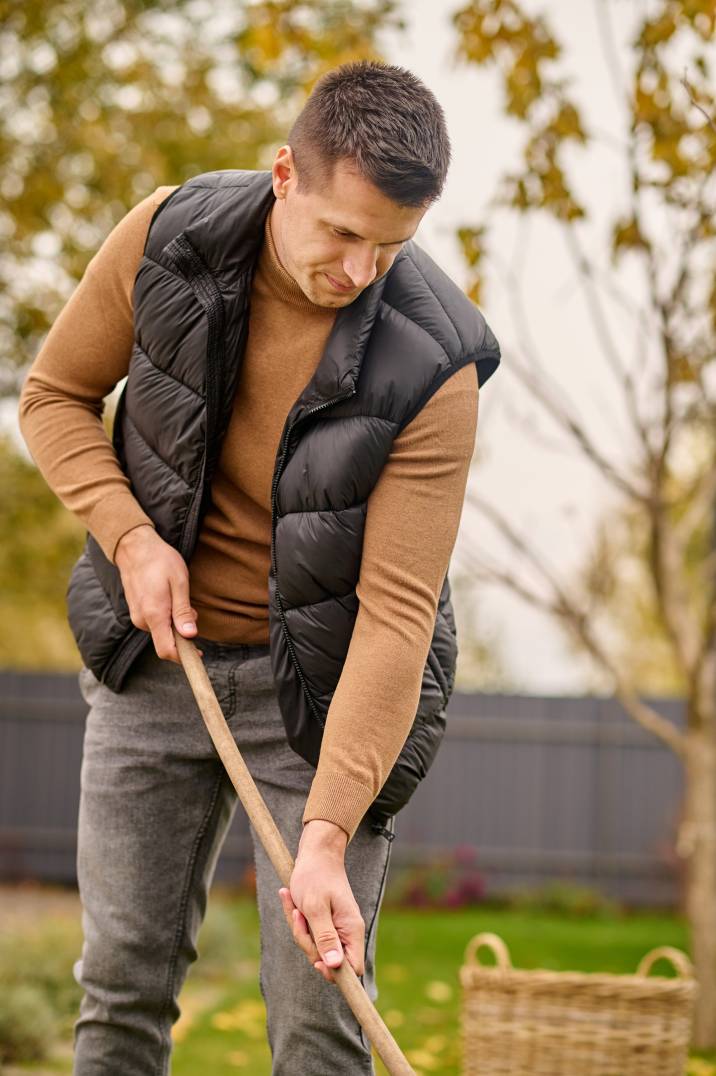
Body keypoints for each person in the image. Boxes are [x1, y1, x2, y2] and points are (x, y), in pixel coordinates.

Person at [18, 59, 500, 1075]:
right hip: (159, 664)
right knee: (121, 989)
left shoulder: (435, 366)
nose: (359, 270)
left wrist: (324, 831)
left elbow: (395, 619)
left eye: (390, 246)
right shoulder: (166, 238)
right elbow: (54, 395)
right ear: (285, 173)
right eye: (340, 233)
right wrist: (129, 535)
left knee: (319, 1019)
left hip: (324, 697)